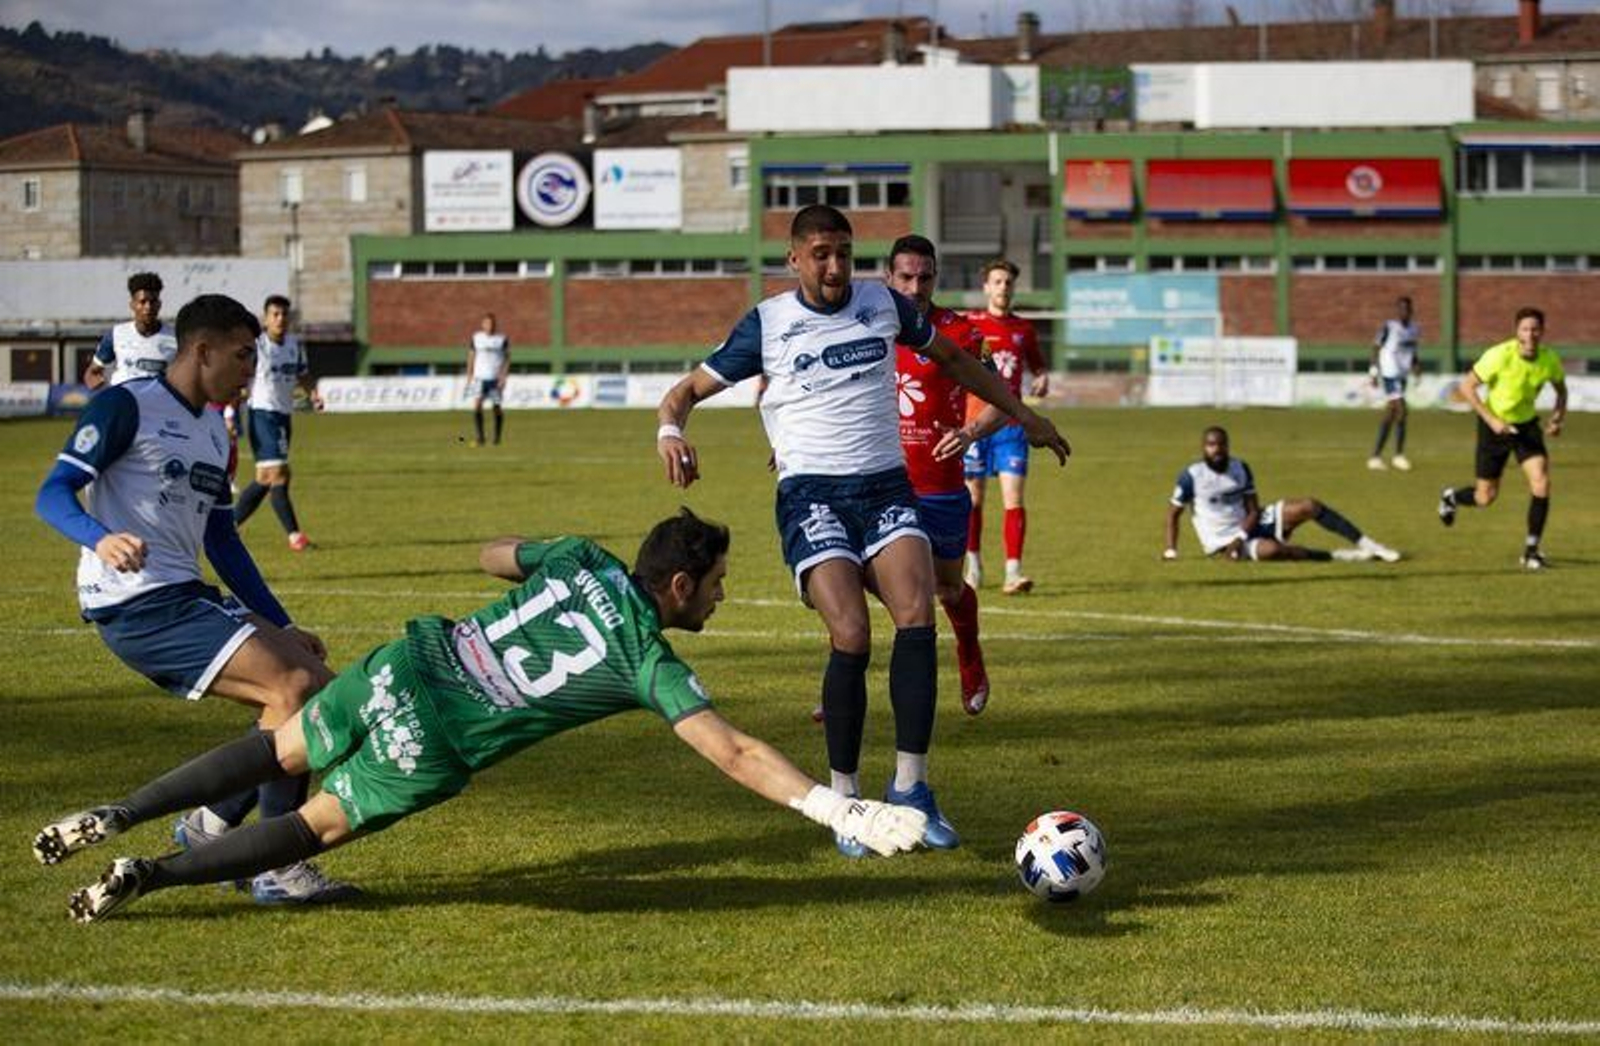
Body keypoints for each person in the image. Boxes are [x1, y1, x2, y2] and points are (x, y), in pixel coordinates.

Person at [35, 510, 930, 923]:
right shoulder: (645, 660)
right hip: (439, 741)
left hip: (407, 663)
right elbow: (731, 750)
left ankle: (118, 814)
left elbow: (494, 551)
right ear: (681, 586)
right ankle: (148, 875)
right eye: (720, 587)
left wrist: (524, 565)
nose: (722, 601)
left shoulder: (579, 555)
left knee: (277, 748)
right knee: (308, 830)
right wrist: (835, 806)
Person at [655, 205, 1069, 857]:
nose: (835, 266)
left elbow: (959, 363)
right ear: (794, 259)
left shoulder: (884, 305)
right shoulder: (768, 323)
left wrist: (1023, 415)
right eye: (821, 253)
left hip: (885, 488)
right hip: (810, 495)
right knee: (850, 632)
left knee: (916, 613)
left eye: (844, 252)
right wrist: (671, 431)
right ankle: (846, 804)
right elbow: (683, 392)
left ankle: (912, 790)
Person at [33, 292, 356, 905]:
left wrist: (282, 623)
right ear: (201, 350)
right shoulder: (126, 405)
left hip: (183, 593)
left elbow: (223, 542)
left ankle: (207, 827)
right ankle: (277, 867)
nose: (249, 372)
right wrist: (100, 540)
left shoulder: (216, 432)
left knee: (313, 688)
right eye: (241, 356)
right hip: (135, 602)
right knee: (295, 690)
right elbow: (52, 494)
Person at [886, 234, 1010, 716]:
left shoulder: (959, 334)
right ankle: (840, 687)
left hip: (938, 486)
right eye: (906, 277)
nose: (916, 288)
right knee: (847, 582)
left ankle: (970, 656)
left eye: (925, 277)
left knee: (948, 589)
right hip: (879, 483)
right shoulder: (865, 329)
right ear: (888, 278)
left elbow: (1002, 400)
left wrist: (969, 431)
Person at [1436, 306, 1568, 570]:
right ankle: (1451, 497)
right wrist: (1493, 420)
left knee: (1541, 482)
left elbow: (1561, 391)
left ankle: (1531, 551)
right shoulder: (1499, 355)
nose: (1530, 335)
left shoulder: (1549, 359)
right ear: (1517, 331)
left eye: (1535, 329)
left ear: (1542, 332)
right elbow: (1466, 387)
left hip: (1527, 427)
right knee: (1485, 497)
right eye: (1525, 329)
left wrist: (1556, 418)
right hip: (1494, 426)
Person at [1164, 426, 1402, 563]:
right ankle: (1343, 556)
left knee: (1309, 505)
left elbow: (1253, 510)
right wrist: (1171, 550)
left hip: (1248, 525)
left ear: (1228, 445)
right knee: (1273, 551)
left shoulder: (1240, 467)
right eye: (1211, 445)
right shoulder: (1191, 476)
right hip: (1222, 542)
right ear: (1203, 448)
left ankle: (1372, 546)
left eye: (1221, 444)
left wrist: (1241, 536)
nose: (1217, 450)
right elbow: (1173, 514)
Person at [963, 259, 1049, 595]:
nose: (1003, 287)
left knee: (1014, 498)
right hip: (974, 425)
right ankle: (974, 568)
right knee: (973, 500)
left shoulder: (1024, 330)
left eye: (1008, 282)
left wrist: (1042, 379)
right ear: (986, 287)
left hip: (1011, 426)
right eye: (997, 282)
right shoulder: (970, 325)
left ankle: (1013, 572)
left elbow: (1038, 367)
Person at [233, 295, 322, 551]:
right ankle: (294, 537)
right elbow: (241, 371)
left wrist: (313, 393)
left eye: (284, 314)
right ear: (266, 318)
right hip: (262, 414)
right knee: (277, 473)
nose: (280, 319)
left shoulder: (295, 344)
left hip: (283, 415)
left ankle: (229, 526)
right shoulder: (257, 345)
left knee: (269, 477)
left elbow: (303, 374)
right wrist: (236, 396)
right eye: (275, 314)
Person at [83, 272, 178, 389]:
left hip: (157, 404)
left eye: (153, 302)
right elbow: (92, 372)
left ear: (159, 305)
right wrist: (95, 381)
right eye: (142, 302)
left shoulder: (175, 338)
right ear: (132, 304)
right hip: (124, 403)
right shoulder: (116, 335)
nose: (148, 307)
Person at [1368, 296, 1422, 471]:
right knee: (1402, 409)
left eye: (1407, 308)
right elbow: (1376, 347)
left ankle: (1375, 456)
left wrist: (1416, 367)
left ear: (1411, 311)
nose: (1404, 312)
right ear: (1397, 310)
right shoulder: (1389, 327)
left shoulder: (1415, 329)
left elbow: (1412, 351)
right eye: (1401, 308)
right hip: (1389, 372)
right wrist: (1374, 372)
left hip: (1402, 374)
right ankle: (1399, 455)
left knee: (1392, 414)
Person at [466, 312, 511, 447]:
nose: (489, 326)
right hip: (479, 379)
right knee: (477, 405)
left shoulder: (501, 339)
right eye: (486, 323)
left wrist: (503, 377)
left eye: (491, 324)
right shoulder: (476, 338)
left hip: (494, 380)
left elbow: (507, 358)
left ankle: (497, 438)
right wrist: (469, 374)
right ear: (482, 324)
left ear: (495, 325)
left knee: (497, 407)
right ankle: (480, 438)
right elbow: (471, 356)